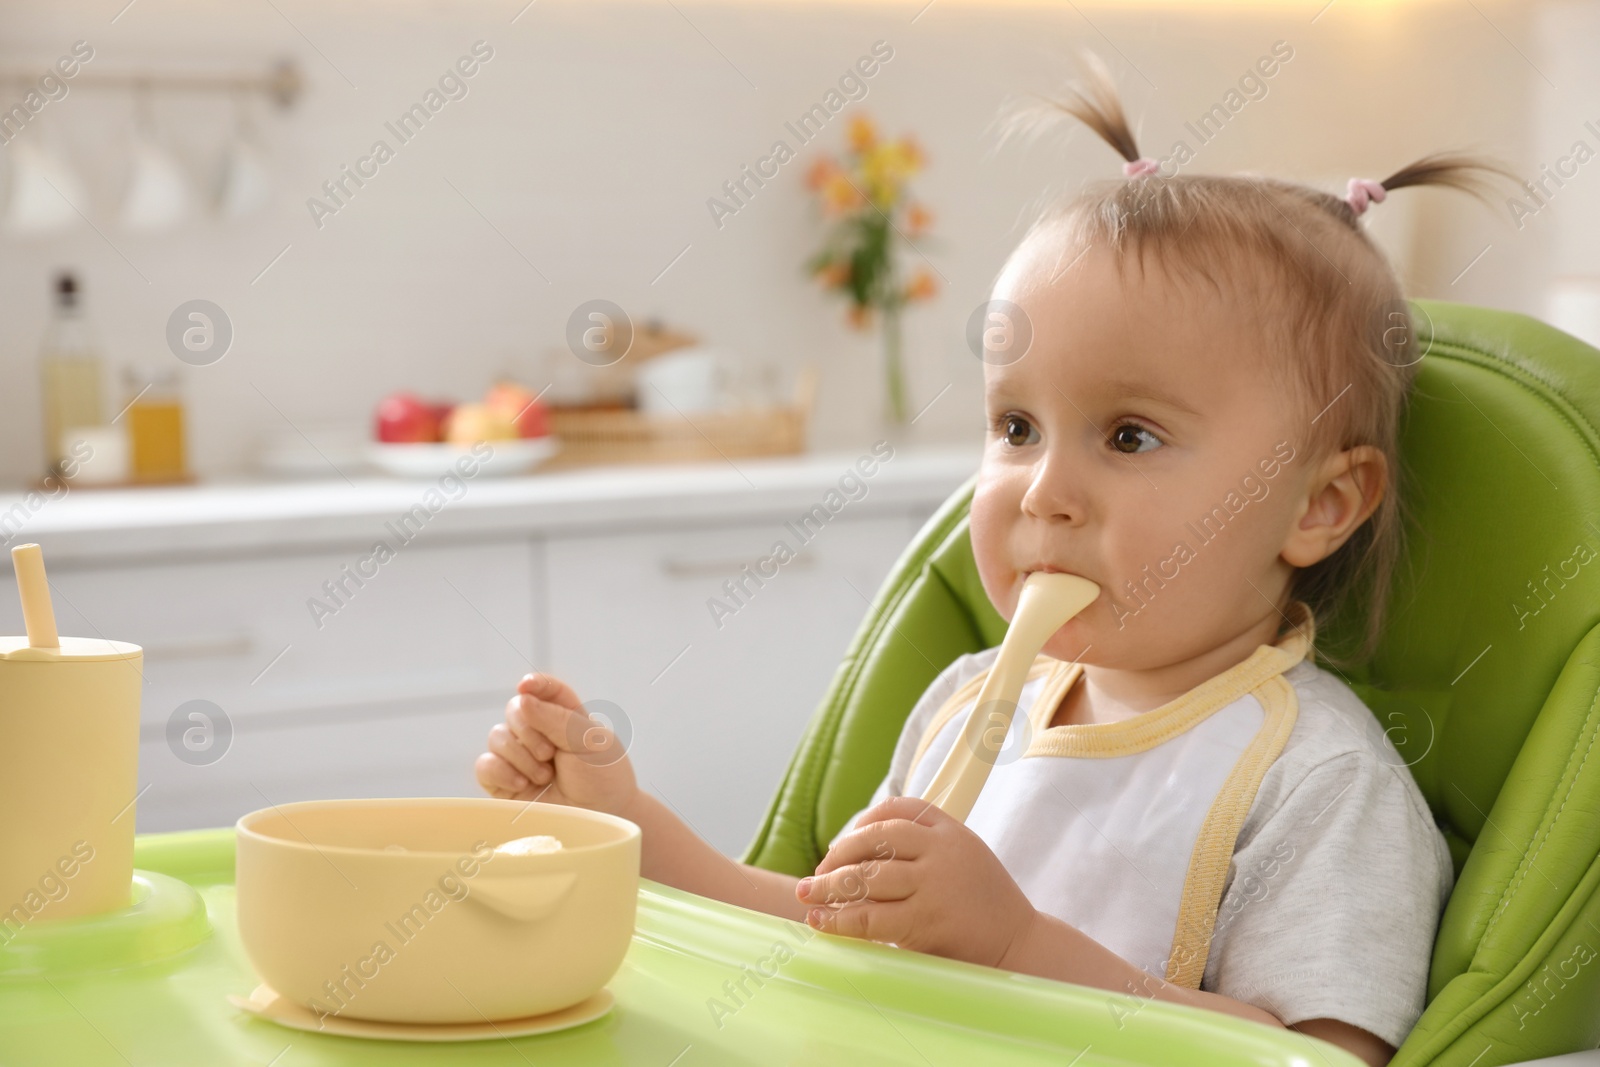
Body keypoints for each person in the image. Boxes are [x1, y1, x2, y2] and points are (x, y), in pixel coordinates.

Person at [474, 56, 1516, 1067]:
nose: (1039, 490)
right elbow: (818, 929)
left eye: (1130, 436)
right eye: (1015, 426)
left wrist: (1020, 946)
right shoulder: (964, 703)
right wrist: (623, 825)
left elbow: (1315, 1056)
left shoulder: (1316, 781)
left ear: (1319, 504)